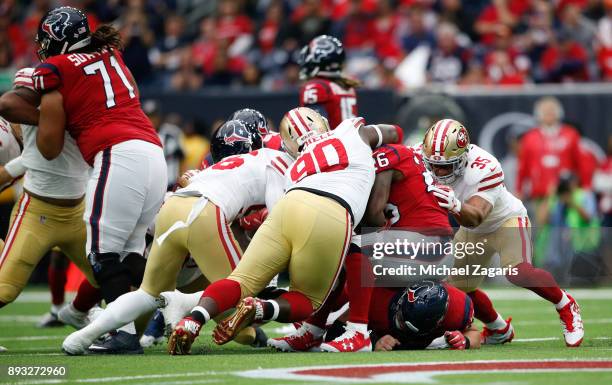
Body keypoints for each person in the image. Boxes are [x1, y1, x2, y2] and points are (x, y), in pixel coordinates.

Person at [0, 7, 167, 351]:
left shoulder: (54, 69)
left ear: (59, 39)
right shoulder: (112, 55)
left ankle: (125, 335)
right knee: (130, 259)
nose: (42, 46)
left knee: (104, 259)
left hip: (116, 154)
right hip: (152, 151)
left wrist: (60, 119)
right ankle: (161, 311)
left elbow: (46, 145)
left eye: (46, 39)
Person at [167, 108, 399, 355]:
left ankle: (193, 319)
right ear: (322, 123)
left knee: (239, 281)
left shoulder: (294, 165)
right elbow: (394, 132)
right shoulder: (350, 131)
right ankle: (262, 309)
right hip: (330, 210)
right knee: (308, 300)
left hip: (288, 205)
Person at [62, 119, 295, 355]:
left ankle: (82, 337)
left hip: (173, 207)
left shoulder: (225, 165)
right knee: (244, 292)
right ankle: (181, 302)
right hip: (203, 211)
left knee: (147, 294)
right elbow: (278, 225)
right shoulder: (276, 162)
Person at [423, 118, 584, 347]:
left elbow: (477, 215)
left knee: (517, 271)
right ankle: (499, 329)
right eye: (433, 164)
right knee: (453, 287)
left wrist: (455, 205)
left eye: (446, 165)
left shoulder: (484, 166)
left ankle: (565, 304)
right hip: (472, 230)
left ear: (463, 156)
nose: (437, 171)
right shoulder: (420, 156)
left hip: (504, 220)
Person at [0, 68, 98, 314]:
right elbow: (9, 105)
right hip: (37, 212)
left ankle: (77, 314)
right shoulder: (22, 117)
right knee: (5, 288)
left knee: (111, 277)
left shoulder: (75, 106)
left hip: (78, 210)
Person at [298, 35, 359, 129]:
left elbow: (316, 129)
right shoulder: (346, 85)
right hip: (353, 140)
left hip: (334, 142)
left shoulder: (315, 86)